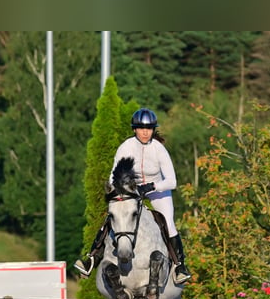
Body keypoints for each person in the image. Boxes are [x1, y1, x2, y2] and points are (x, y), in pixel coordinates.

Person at [74, 107, 192, 285]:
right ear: (134, 129)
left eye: (149, 128)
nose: (145, 132)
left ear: (153, 129)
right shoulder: (126, 147)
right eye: (141, 128)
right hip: (132, 191)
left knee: (168, 222)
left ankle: (179, 266)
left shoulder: (159, 149)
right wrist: (119, 192)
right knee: (114, 216)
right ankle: (91, 258)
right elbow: (114, 176)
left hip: (158, 190)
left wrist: (152, 186)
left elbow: (172, 181)